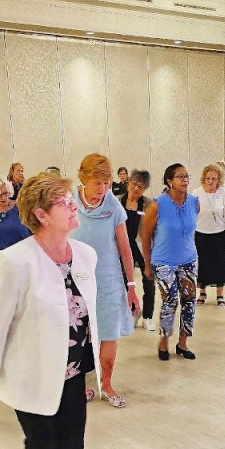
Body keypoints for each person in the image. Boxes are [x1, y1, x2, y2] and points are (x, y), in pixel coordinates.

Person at [0, 172, 98, 449]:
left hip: (73, 370)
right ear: (43, 214)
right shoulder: (16, 260)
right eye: (64, 202)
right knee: (42, 441)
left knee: (72, 442)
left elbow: (87, 311)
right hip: (32, 370)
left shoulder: (85, 255)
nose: (73, 206)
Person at [72, 153, 140, 408]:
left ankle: (106, 384)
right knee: (79, 337)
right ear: (84, 179)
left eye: (107, 183)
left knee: (109, 334)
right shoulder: (69, 202)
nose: (102, 189)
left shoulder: (113, 205)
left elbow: (125, 249)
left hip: (109, 281)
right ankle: (84, 386)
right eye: (97, 183)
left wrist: (131, 287)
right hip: (77, 281)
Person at [140, 163, 199, 361]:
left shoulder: (194, 202)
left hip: (188, 260)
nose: (185, 180)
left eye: (186, 176)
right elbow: (145, 235)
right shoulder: (157, 205)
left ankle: (183, 343)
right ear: (169, 181)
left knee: (189, 300)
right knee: (170, 300)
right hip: (163, 262)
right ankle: (164, 341)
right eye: (180, 176)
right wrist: (147, 264)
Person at [192, 163, 225, 306]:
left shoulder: (224, 193)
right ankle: (202, 293)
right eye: (207, 178)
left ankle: (220, 295)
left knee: (219, 264)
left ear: (219, 179)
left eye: (214, 179)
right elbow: (191, 215)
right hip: (200, 233)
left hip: (219, 234)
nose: (210, 181)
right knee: (202, 264)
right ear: (203, 179)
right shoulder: (196, 193)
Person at [119, 169, 157, 332]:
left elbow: (154, 228)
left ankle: (147, 317)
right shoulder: (117, 201)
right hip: (121, 247)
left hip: (142, 247)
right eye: (134, 184)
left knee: (149, 282)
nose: (136, 188)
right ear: (129, 183)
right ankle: (130, 313)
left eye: (141, 186)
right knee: (123, 283)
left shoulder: (148, 204)